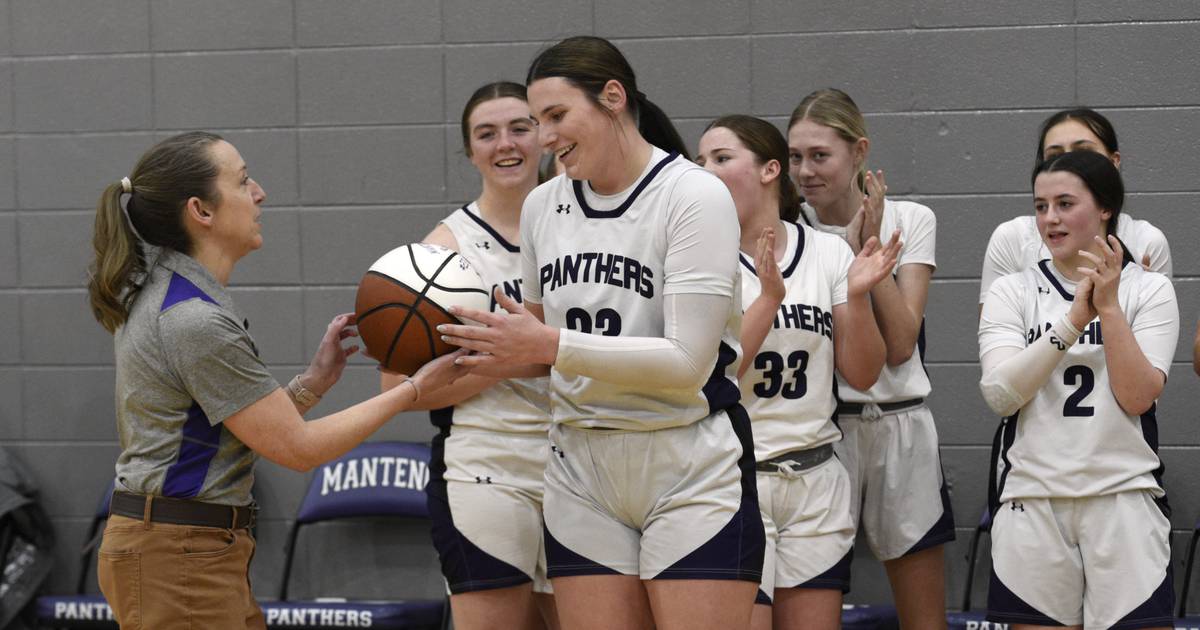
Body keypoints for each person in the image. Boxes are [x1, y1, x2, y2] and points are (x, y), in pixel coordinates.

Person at [438, 35, 764, 630]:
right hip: (580, 463)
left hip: (686, 458)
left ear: (613, 97)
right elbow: (536, 346)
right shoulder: (542, 206)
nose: (545, 137)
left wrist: (550, 345)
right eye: (539, 121)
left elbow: (688, 362)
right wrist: (471, 352)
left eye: (556, 116)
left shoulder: (693, 194)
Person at [86, 132, 465, 629]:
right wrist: (412, 390)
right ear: (201, 210)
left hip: (188, 548)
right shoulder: (191, 318)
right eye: (243, 182)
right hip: (177, 554)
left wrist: (313, 382)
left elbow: (235, 430)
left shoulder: (172, 294)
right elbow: (299, 449)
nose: (260, 193)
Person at [697, 115, 897, 630]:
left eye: (721, 158)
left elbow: (863, 373)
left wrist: (858, 297)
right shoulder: (698, 260)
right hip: (734, 478)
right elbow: (710, 377)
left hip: (815, 477)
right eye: (700, 161)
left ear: (769, 170)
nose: (705, 170)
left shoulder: (827, 251)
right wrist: (768, 300)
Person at [380, 82, 558, 630]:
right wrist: (506, 360)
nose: (506, 144)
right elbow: (395, 389)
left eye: (520, 128)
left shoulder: (580, 228)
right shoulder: (441, 250)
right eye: (487, 134)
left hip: (584, 465)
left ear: (544, 137)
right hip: (488, 465)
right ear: (470, 151)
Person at [978, 150, 1178, 630]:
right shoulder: (1012, 291)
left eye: (1065, 204)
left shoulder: (1149, 290)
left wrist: (1108, 309)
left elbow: (1138, 397)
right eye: (1041, 206)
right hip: (1034, 498)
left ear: (1105, 207)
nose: (1050, 218)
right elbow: (1000, 395)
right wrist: (1071, 322)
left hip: (1123, 496)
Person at [787, 88, 954, 629]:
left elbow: (901, 345)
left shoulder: (911, 218)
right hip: (821, 433)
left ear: (859, 152)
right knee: (810, 604)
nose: (805, 171)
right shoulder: (790, 231)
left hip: (901, 423)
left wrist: (873, 244)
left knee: (923, 615)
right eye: (795, 157)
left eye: (820, 155)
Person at [979, 108, 1172, 312]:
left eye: (1084, 153)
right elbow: (993, 327)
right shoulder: (1013, 237)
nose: (1068, 164)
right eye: (1054, 156)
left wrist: (1144, 303)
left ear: (1113, 162)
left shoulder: (1147, 241)